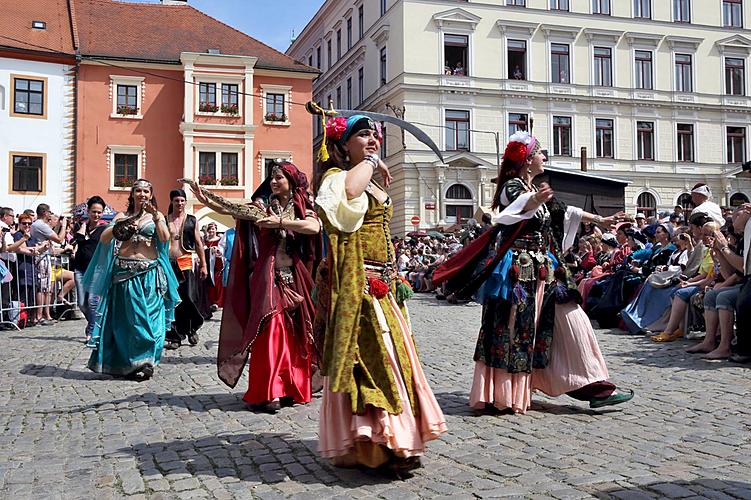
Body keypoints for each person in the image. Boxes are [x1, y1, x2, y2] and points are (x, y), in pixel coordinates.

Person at [435, 131, 634, 415]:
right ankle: (504, 392)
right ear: (528, 160)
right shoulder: (512, 188)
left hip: (546, 271)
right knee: (517, 329)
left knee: (572, 320)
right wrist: (535, 201)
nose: (544, 157)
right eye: (540, 153)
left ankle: (595, 386)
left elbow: (565, 212)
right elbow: (517, 207)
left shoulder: (535, 188)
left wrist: (601, 219)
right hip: (520, 273)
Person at [313, 114, 447, 475]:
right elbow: (350, 194)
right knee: (372, 362)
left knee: (396, 360)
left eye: (375, 136)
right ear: (343, 146)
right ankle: (377, 446)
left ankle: (394, 439)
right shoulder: (336, 178)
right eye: (362, 135)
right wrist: (372, 162)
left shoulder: (372, 179)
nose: (372, 139)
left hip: (383, 285)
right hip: (358, 285)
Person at [194, 162, 321, 413]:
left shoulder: (303, 207)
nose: (274, 182)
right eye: (272, 178)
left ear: (292, 181)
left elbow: (314, 227)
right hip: (268, 275)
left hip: (295, 276)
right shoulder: (260, 208)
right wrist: (204, 198)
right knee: (270, 328)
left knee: (296, 332)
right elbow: (230, 208)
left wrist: (281, 224)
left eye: (279, 178)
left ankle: (291, 387)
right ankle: (270, 390)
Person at [83, 179, 179, 379]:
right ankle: (135, 362)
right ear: (132, 194)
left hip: (150, 273)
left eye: (146, 191)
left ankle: (147, 361)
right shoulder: (122, 215)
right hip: (125, 274)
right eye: (138, 191)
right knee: (131, 321)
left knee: (151, 319)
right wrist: (125, 224)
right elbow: (104, 238)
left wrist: (155, 218)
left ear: (151, 195)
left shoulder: (157, 216)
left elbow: (163, 238)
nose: (142, 194)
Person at [650, 220, 718, 342]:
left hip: (709, 284)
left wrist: (691, 283)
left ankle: (669, 331)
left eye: (705, 235)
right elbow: (703, 273)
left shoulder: (714, 252)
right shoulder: (707, 250)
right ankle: (679, 327)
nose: (702, 237)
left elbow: (709, 277)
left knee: (680, 292)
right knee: (675, 289)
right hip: (701, 281)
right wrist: (690, 281)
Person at [165, 189, 208, 350]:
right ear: (172, 202)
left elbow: (198, 243)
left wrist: (203, 264)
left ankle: (192, 327)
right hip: (169, 263)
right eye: (177, 200)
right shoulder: (164, 219)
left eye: (182, 200)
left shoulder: (191, 220)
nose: (180, 203)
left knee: (188, 297)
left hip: (186, 262)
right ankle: (175, 335)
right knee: (172, 299)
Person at [72, 196, 108, 341]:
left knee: (93, 301)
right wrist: (83, 226)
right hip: (80, 268)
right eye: (93, 211)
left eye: (99, 212)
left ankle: (93, 330)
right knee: (82, 303)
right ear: (88, 211)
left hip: (96, 269)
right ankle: (92, 323)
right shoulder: (81, 226)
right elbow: (78, 240)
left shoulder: (104, 229)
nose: (96, 215)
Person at [202, 222, 225, 310]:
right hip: (208, 263)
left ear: (216, 230)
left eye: (213, 229)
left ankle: (218, 301)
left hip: (217, 263)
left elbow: (222, 249)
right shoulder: (205, 240)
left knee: (217, 281)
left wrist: (217, 251)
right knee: (209, 281)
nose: (211, 231)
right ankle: (210, 301)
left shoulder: (219, 239)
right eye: (210, 229)